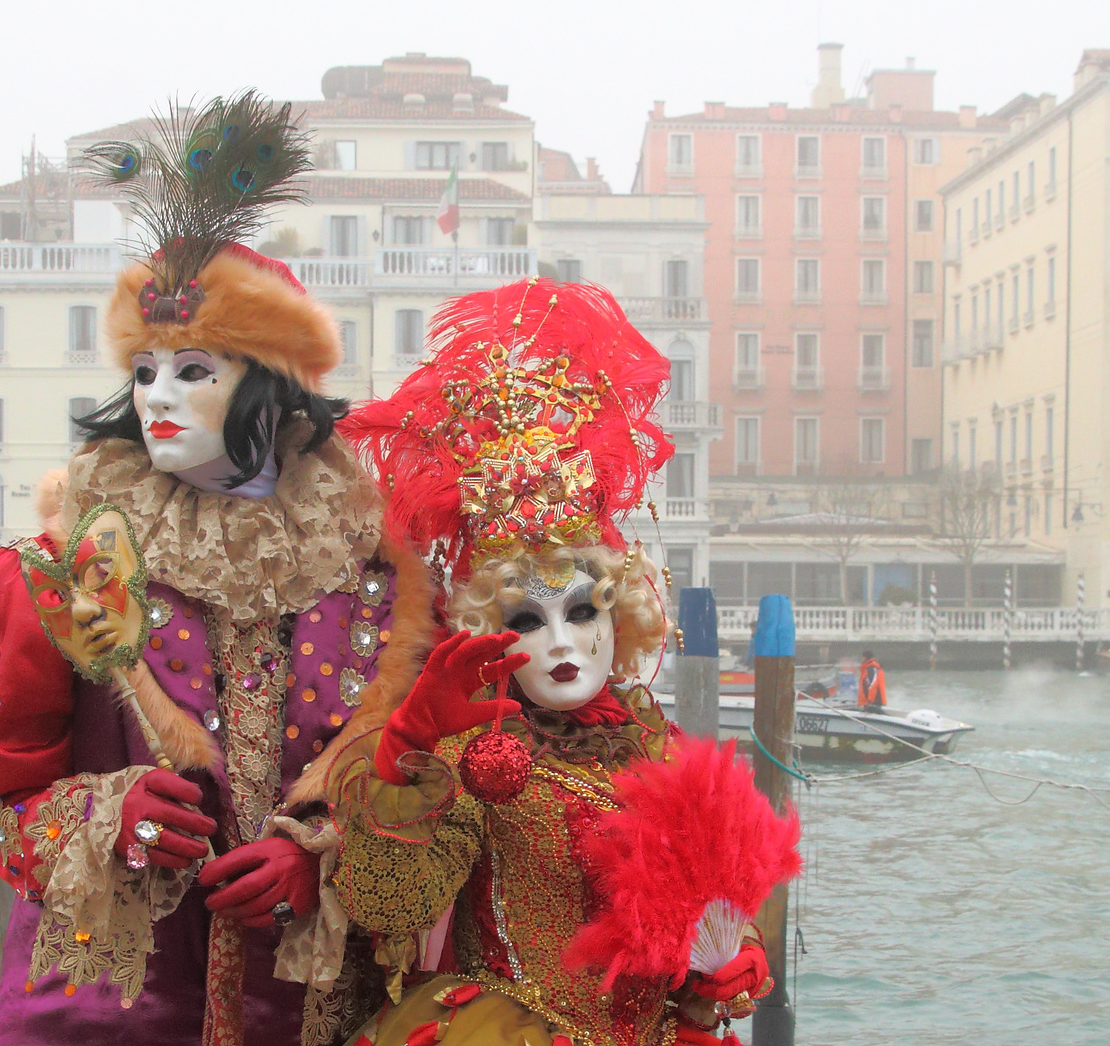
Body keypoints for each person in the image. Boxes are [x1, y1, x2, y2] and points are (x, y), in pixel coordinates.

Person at [0, 93, 426, 1046]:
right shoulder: (47, 574)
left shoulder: (388, 588)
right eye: (145, 369)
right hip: (103, 1018)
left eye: (196, 371)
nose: (157, 397)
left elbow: (434, 800)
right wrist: (101, 815)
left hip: (317, 1017)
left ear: (275, 390)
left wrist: (328, 866)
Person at [326, 278, 781, 1046]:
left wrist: (740, 968)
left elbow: (717, 907)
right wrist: (407, 749)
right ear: (488, 633)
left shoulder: (656, 745)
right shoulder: (480, 757)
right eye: (528, 622)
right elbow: (389, 905)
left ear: (620, 616)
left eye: (581, 612)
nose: (563, 643)